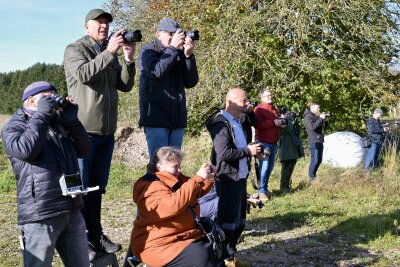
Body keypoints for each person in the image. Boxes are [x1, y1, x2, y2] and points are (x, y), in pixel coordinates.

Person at [63, 8, 137, 258]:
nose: (104, 26)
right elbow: (83, 74)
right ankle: (80, 239)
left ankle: (95, 234)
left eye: (107, 23)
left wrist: (128, 59)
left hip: (106, 132)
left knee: (96, 187)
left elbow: (124, 85)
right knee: (79, 189)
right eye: (99, 22)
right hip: (82, 131)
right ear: (87, 26)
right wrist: (110, 52)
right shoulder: (75, 49)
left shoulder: (109, 52)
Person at [1, 81, 90, 267]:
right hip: (40, 214)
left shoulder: (58, 123)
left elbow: (84, 149)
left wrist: (72, 121)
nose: (52, 102)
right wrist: (41, 115)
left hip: (71, 209)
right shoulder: (13, 127)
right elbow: (25, 150)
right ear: (32, 101)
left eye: (54, 97)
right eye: (46, 98)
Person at [130, 147, 217, 267]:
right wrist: (198, 178)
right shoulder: (149, 186)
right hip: (158, 244)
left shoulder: (176, 178)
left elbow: (194, 191)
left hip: (181, 236)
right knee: (201, 256)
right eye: (175, 166)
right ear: (159, 167)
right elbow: (172, 205)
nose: (179, 169)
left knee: (215, 246)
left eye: (179, 165)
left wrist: (209, 177)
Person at [206, 88, 261, 267]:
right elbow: (223, 153)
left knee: (239, 223)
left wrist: (254, 152)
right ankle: (220, 261)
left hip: (240, 177)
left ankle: (230, 258)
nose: (248, 103)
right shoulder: (221, 123)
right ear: (232, 101)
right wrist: (248, 151)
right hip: (227, 178)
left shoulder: (237, 121)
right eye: (244, 100)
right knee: (227, 224)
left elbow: (239, 148)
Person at [138, 18, 199, 157]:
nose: (174, 37)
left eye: (177, 34)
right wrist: (172, 48)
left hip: (177, 120)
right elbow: (156, 72)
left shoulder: (178, 53)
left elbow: (190, 82)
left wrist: (188, 56)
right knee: (159, 165)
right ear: (158, 34)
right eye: (170, 34)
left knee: (174, 165)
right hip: (156, 120)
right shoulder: (148, 50)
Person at [254, 88, 284, 201]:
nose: (270, 97)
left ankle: (265, 188)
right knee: (264, 166)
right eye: (267, 96)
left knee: (270, 167)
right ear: (261, 97)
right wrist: (273, 122)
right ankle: (261, 191)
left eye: (271, 95)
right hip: (263, 142)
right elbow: (257, 125)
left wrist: (280, 124)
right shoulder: (259, 109)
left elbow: (276, 123)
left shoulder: (274, 109)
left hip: (273, 142)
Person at [277, 108, 304, 192]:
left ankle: (287, 186)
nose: (290, 115)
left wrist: (298, 121)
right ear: (282, 114)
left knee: (290, 167)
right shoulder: (280, 121)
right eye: (288, 114)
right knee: (286, 168)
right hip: (285, 148)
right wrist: (291, 118)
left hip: (292, 148)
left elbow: (297, 131)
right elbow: (287, 130)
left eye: (290, 114)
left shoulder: (290, 121)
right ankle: (283, 187)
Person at [304, 101, 329, 181]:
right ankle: (311, 177)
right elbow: (312, 128)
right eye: (317, 108)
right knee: (315, 160)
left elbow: (323, 128)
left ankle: (313, 175)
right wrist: (320, 119)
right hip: (313, 141)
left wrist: (325, 121)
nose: (319, 109)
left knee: (319, 160)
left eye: (319, 108)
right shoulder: (307, 116)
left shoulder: (317, 115)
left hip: (319, 139)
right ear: (312, 108)